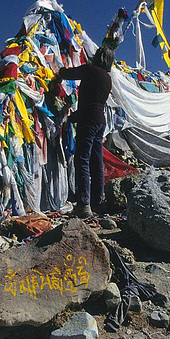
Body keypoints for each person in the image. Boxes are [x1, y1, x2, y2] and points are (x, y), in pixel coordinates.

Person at [57, 47, 114, 218]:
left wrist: (58, 70)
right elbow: (94, 101)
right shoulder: (107, 78)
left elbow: (66, 74)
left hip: (88, 120)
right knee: (96, 161)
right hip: (100, 121)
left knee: (82, 159)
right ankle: (98, 200)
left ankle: (83, 204)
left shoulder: (90, 70)